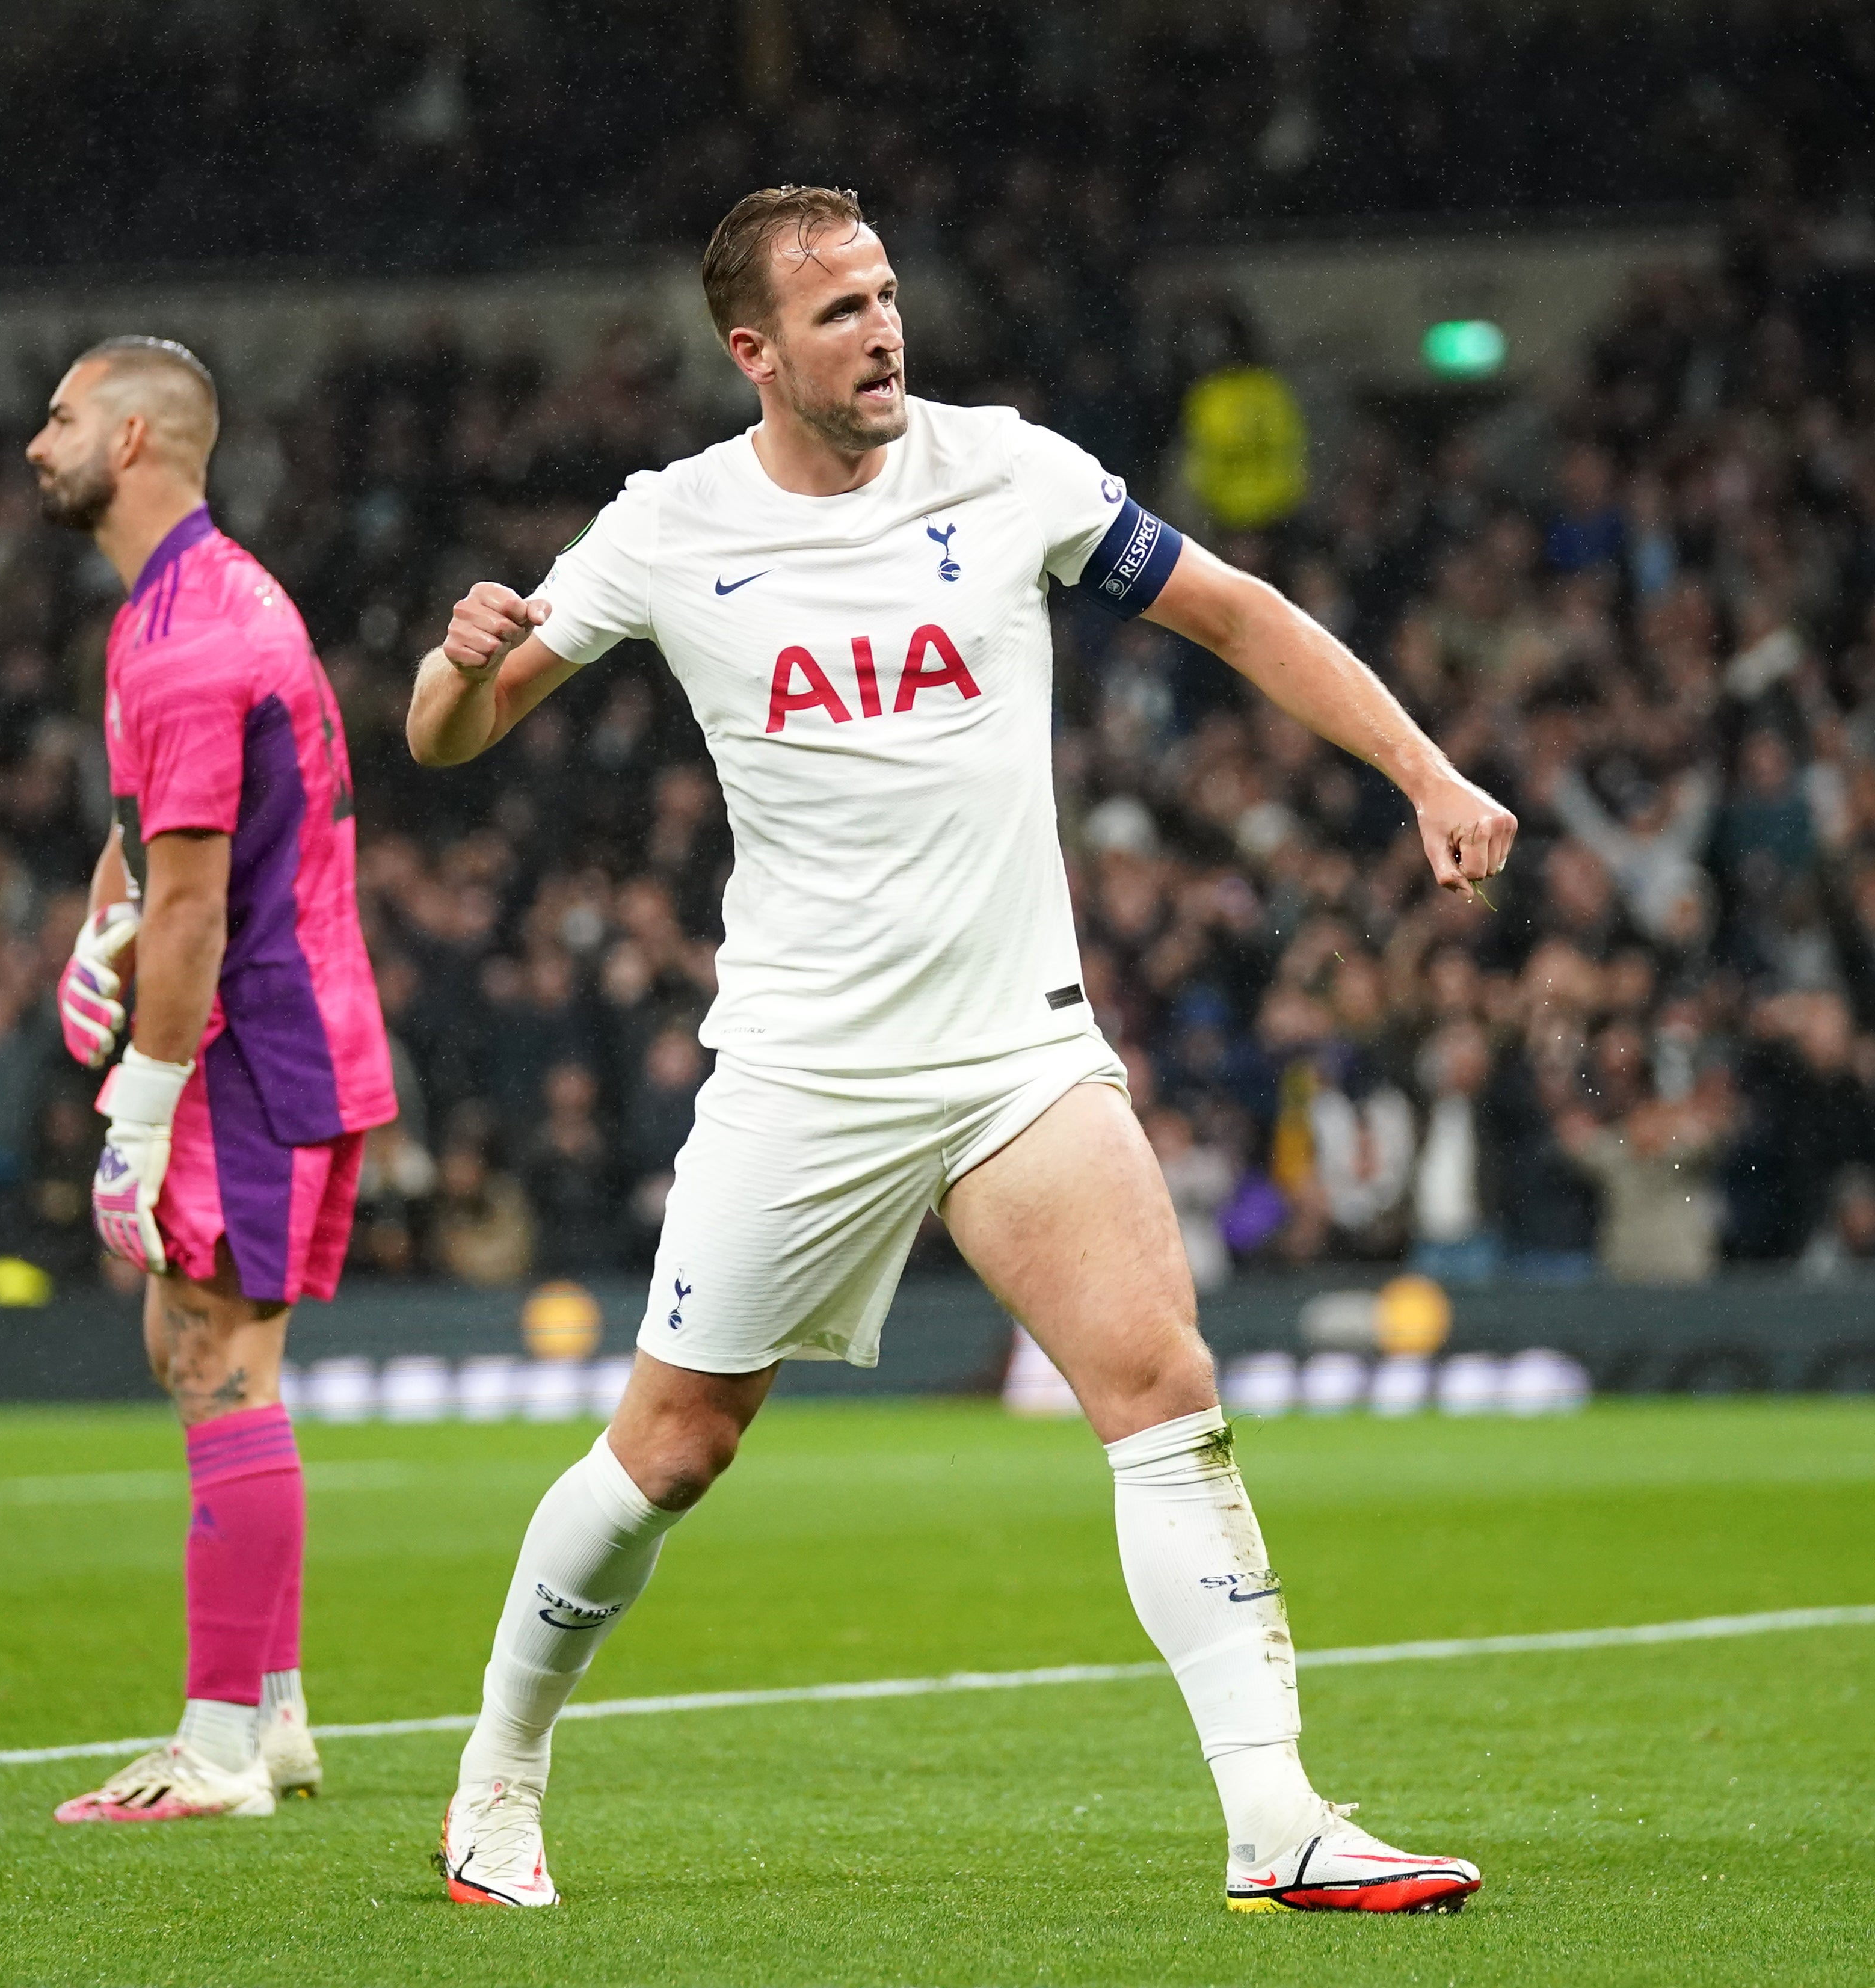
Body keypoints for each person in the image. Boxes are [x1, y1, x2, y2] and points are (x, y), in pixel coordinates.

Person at [405, 186, 1510, 1915]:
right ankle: (495, 1780)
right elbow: (449, 736)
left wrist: (1425, 771)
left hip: (1015, 1055)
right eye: (839, 312)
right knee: (673, 1450)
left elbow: (1236, 612)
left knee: (1165, 1399)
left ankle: (1277, 1818)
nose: (883, 332)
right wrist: (459, 671)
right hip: (803, 1070)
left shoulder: (1012, 471)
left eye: (888, 296)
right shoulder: (664, 527)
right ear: (753, 352)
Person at [26, 337, 395, 1823]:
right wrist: (98, 916)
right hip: (284, 1030)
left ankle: (220, 1745)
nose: (32, 443)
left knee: (209, 1359)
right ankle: (276, 1714)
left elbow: (198, 906)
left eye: (56, 417)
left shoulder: (181, 637)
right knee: (215, 1355)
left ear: (128, 438)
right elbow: (173, 847)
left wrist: (136, 1105)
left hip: (256, 1046)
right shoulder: (201, 598)